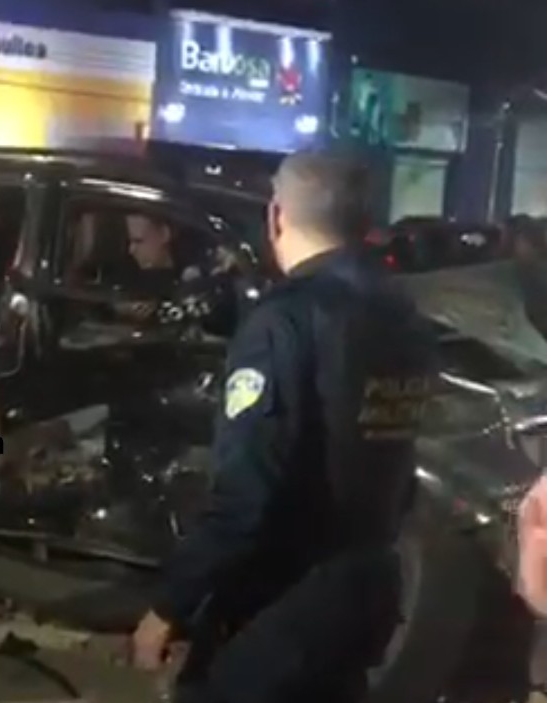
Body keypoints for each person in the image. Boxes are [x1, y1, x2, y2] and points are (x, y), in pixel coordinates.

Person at [131, 151, 437, 703]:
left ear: (276, 216)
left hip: (287, 600)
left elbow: (247, 492)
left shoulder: (286, 320)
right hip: (370, 587)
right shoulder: (404, 314)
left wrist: (170, 605)